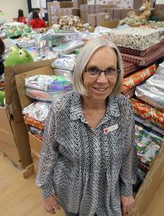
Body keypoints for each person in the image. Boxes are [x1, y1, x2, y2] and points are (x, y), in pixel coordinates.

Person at [36, 38, 137, 216]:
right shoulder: (62, 108)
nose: (103, 80)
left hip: (109, 198)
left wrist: (127, 190)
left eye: (110, 71)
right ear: (81, 72)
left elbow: (128, 151)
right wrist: (46, 191)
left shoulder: (124, 107)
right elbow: (48, 152)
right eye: (93, 70)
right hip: (73, 199)